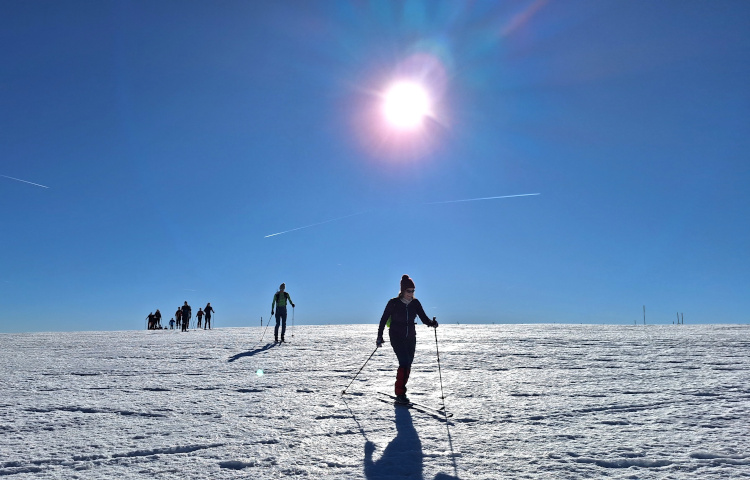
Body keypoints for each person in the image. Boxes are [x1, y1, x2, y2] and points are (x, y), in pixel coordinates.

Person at [376, 274, 438, 404]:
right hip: (396, 336)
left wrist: (432, 323)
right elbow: (383, 320)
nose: (411, 293)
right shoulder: (393, 303)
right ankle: (400, 393)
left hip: (411, 337)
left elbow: (423, 318)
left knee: (408, 363)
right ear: (402, 291)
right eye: (409, 291)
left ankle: (401, 392)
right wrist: (379, 336)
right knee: (404, 362)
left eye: (413, 291)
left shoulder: (415, 303)